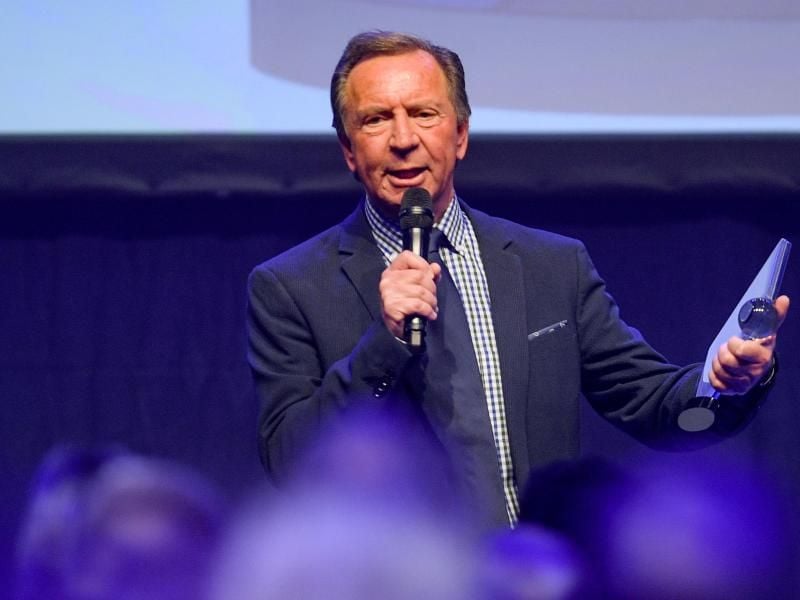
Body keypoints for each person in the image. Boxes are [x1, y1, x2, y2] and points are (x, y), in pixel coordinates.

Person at [246, 30, 789, 530]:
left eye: (424, 113)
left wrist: (724, 385)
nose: (403, 138)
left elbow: (657, 410)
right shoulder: (291, 287)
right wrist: (382, 346)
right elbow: (292, 464)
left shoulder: (549, 265)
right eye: (376, 120)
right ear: (348, 150)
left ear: (460, 135)